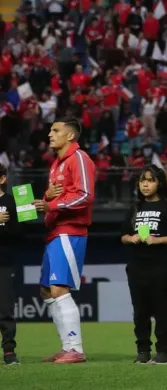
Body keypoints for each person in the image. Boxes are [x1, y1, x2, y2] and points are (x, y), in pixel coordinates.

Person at [31, 119, 94, 364]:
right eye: (50, 130)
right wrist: (46, 198)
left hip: (70, 230)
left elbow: (85, 195)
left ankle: (75, 348)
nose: (50, 134)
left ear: (70, 136)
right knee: (46, 290)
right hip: (55, 231)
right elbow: (56, 198)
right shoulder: (56, 164)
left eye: (55, 130)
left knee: (58, 288)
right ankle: (66, 346)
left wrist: (52, 205)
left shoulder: (78, 158)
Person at [121, 165, 167, 364]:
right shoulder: (135, 208)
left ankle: (164, 351)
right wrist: (131, 238)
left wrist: (158, 240)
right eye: (142, 180)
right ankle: (143, 350)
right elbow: (123, 235)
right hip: (137, 266)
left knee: (163, 310)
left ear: (160, 183)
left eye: (150, 180)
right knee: (140, 311)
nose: (145, 185)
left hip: (161, 267)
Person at [0, 162, 25, 365]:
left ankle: (9, 351)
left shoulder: (11, 201)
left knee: (5, 308)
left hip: (4, 262)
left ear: (2, 179)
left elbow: (20, 233)